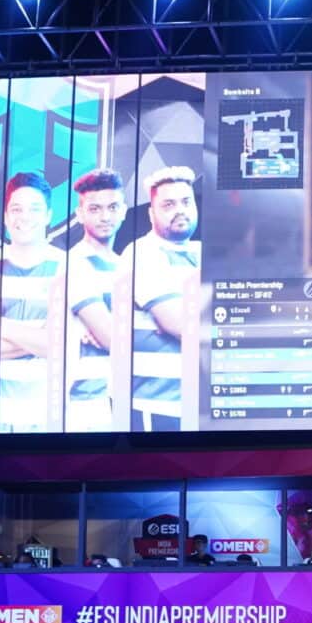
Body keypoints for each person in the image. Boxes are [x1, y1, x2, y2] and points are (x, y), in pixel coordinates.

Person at [118, 165, 200, 432]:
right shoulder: (143, 252)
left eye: (186, 202)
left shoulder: (203, 252)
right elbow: (178, 324)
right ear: (151, 213)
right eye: (168, 204)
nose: (180, 210)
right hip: (157, 406)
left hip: (201, 407)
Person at [0, 172, 67, 433]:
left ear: (48, 216)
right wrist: (39, 339)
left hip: (49, 418)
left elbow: (60, 344)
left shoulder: (68, 266)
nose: (24, 217)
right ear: (5, 216)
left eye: (35, 209)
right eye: (16, 209)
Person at [63, 168, 126, 432]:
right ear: (80, 214)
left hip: (118, 397)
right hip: (81, 403)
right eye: (95, 209)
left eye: (112, 207)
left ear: (123, 211)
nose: (105, 217)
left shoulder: (125, 265)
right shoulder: (74, 263)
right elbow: (115, 340)